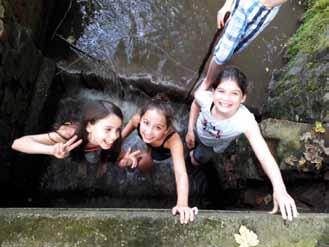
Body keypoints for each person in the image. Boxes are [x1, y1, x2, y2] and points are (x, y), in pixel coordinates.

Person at [186, 66, 298, 221]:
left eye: (234, 93)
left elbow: (264, 155)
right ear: (213, 91)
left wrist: (280, 189)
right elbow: (195, 105)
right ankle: (193, 153)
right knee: (194, 148)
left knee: (197, 158)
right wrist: (190, 130)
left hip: (214, 146)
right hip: (198, 132)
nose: (226, 99)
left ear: (243, 97)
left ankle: (193, 158)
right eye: (221, 91)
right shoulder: (204, 97)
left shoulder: (245, 121)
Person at [12, 97, 139, 177]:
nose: (114, 136)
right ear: (89, 126)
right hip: (77, 146)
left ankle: (101, 164)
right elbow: (18, 143)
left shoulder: (112, 140)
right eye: (108, 129)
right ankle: (82, 164)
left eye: (118, 130)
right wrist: (51, 150)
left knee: (103, 154)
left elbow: (117, 155)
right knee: (79, 156)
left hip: (95, 147)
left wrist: (124, 161)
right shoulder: (69, 135)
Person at [121, 95, 198, 224]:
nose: (149, 131)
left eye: (158, 127)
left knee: (145, 165)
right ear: (141, 119)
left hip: (162, 150)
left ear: (166, 129)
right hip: (151, 144)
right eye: (146, 123)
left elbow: (180, 174)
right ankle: (144, 154)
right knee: (141, 162)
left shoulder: (173, 140)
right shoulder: (136, 120)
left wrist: (182, 203)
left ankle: (147, 156)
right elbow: (120, 138)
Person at [201, 0, 287, 90]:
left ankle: (214, 67)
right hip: (246, 3)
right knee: (223, 54)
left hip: (265, 10)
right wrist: (227, 4)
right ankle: (207, 81)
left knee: (238, 46)